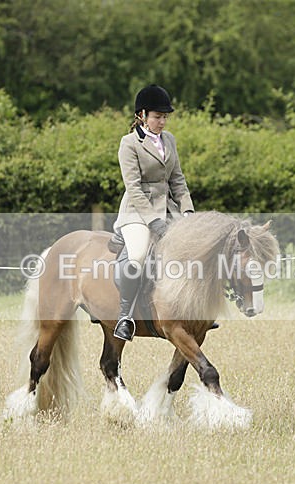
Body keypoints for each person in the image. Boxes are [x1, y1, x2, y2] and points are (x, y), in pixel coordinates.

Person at [113, 84, 194, 341]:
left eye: (165, 116)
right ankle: (125, 316)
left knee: (193, 252)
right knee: (137, 256)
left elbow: (178, 181)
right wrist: (154, 222)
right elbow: (133, 188)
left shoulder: (169, 140)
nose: (162, 121)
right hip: (137, 212)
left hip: (169, 209)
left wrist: (188, 211)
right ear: (142, 115)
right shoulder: (129, 144)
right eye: (158, 116)